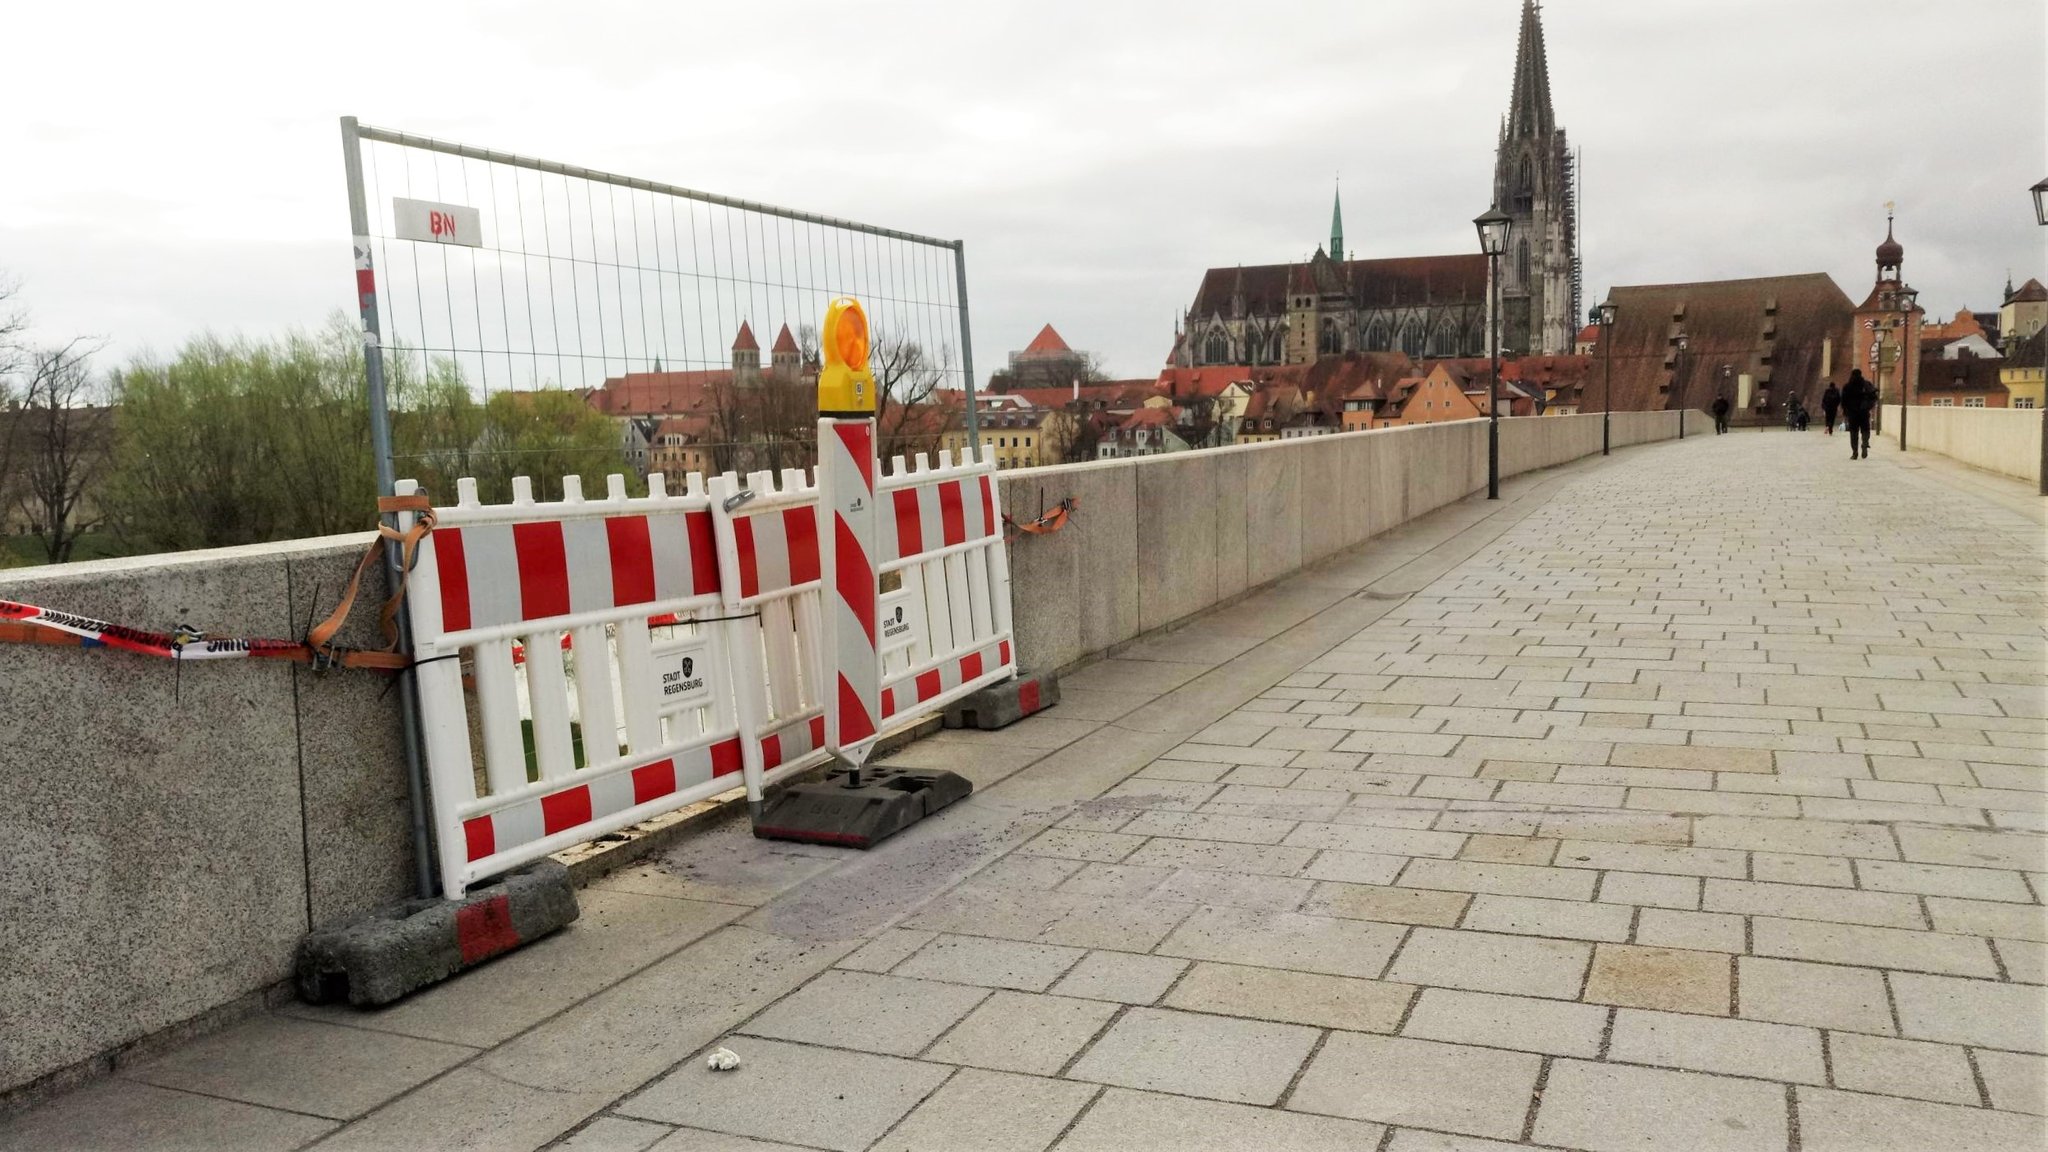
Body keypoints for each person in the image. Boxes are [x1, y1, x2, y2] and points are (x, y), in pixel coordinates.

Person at [1840, 369, 1877, 459]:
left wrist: (1845, 411)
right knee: (1865, 430)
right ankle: (1864, 444)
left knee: (1853, 433)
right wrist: (1869, 406)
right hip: (1863, 411)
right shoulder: (1866, 385)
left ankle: (1855, 452)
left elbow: (1843, 401)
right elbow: (1874, 396)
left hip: (1852, 413)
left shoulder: (1847, 386)